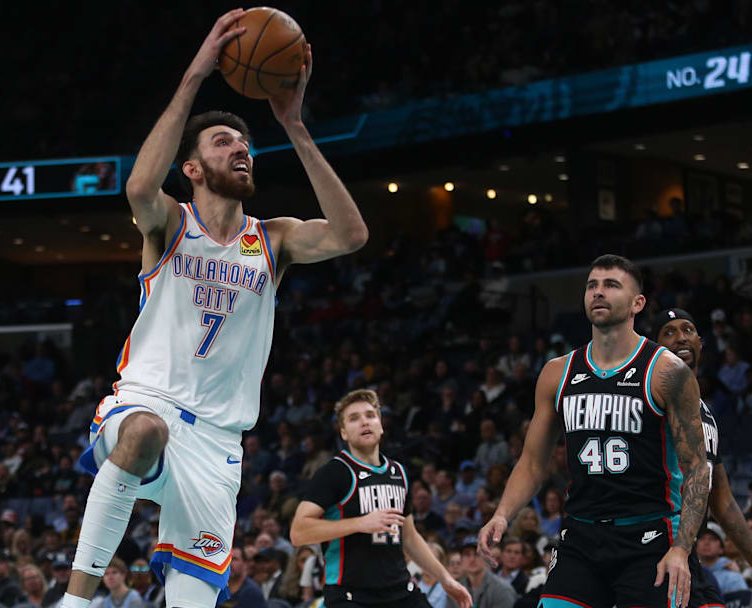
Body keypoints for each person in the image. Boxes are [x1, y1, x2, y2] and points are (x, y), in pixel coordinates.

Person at [61, 9, 368, 608]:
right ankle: (75, 602)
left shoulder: (272, 239)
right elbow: (138, 189)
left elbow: (352, 235)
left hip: (219, 441)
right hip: (148, 399)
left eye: (245, 143)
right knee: (144, 431)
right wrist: (196, 75)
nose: (240, 148)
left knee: (194, 600)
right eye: (223, 142)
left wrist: (294, 126)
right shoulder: (171, 222)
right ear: (193, 168)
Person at [478, 255, 709, 608]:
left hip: (649, 534)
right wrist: (502, 514)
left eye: (611, 285)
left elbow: (697, 469)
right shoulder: (558, 372)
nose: (598, 292)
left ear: (637, 303)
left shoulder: (668, 372)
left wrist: (681, 548)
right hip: (580, 534)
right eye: (592, 286)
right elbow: (533, 462)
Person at [651, 306, 752, 606]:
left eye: (687, 330)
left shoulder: (707, 414)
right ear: (653, 348)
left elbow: (723, 501)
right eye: (669, 333)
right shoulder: (650, 400)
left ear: (700, 343)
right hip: (652, 551)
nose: (680, 338)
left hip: (688, 556)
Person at [290, 389, 472, 608]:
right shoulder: (334, 472)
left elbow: (409, 537)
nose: (364, 422)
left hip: (400, 590)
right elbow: (298, 532)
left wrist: (445, 578)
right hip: (351, 595)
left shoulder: (399, 472)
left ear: (381, 425)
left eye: (370, 415)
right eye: (354, 418)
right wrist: (359, 523)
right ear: (343, 433)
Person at [450, 536, 516, 608]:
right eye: (467, 554)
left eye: (477, 554)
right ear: (461, 559)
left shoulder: (502, 589)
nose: (472, 559)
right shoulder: (457, 590)